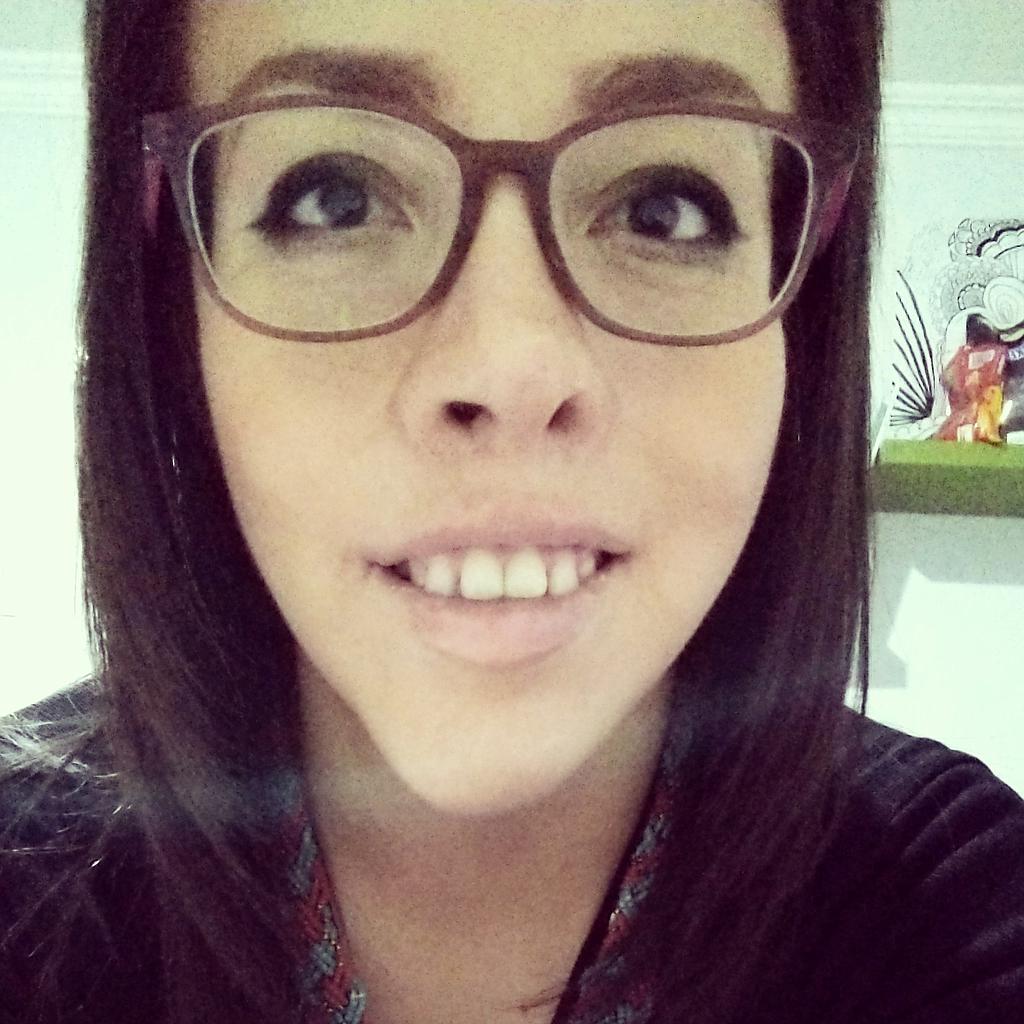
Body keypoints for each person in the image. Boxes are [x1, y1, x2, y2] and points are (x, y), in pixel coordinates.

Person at [2, 1, 1022, 1022]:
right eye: (335, 198)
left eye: (662, 208)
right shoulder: (25, 887)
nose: (508, 367)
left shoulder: (957, 905)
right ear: (172, 301)